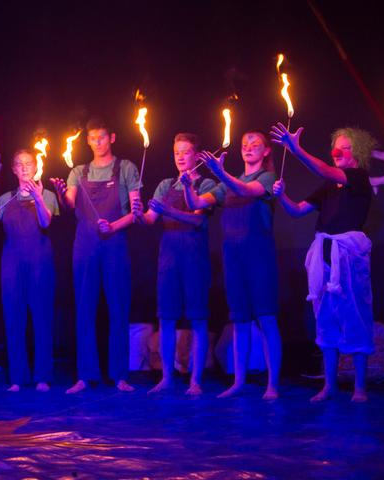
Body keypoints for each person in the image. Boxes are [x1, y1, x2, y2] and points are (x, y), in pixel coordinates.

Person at [271, 123, 377, 403]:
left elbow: (323, 169)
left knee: (355, 314)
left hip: (349, 253)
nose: (337, 151)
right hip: (325, 252)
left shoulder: (359, 178)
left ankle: (360, 388)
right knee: (326, 316)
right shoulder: (328, 187)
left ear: (358, 152)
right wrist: (281, 196)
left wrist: (296, 149)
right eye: (336, 146)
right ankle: (330, 386)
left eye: (345, 146)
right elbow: (296, 212)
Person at [181, 131, 282, 400]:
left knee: (266, 317)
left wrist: (221, 172)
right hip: (232, 256)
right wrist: (189, 185)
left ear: (266, 151)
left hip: (258, 255)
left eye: (255, 145)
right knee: (239, 320)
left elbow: (246, 190)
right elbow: (197, 204)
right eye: (245, 145)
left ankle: (272, 385)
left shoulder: (267, 178)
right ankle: (239, 381)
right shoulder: (226, 185)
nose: (249, 148)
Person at [50, 117, 139, 394]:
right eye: (92, 138)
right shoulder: (78, 171)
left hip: (114, 242)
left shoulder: (125, 168)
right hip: (86, 243)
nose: (97, 143)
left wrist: (113, 226)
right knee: (84, 307)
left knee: (118, 307)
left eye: (102, 137)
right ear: (87, 140)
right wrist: (62, 193)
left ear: (111, 138)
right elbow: (70, 204)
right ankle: (85, 375)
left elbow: (136, 212)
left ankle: (120, 375)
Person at [132, 133, 216, 395]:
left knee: (198, 320)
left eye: (186, 151)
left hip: (194, 257)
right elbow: (149, 219)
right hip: (168, 258)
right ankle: (167, 377)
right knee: (166, 319)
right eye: (176, 152)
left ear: (196, 155)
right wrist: (137, 214)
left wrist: (168, 211)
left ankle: (196, 380)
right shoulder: (165, 185)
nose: (180, 156)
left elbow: (197, 220)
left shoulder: (206, 183)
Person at [0, 149, 59, 392]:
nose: (24, 168)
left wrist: (38, 198)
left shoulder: (47, 195)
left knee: (41, 317)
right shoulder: (6, 198)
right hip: (12, 262)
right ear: (14, 169)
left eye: (28, 164)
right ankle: (18, 377)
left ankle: (42, 376)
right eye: (19, 165)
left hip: (40, 261)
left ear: (35, 166)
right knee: (14, 318)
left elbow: (45, 222)